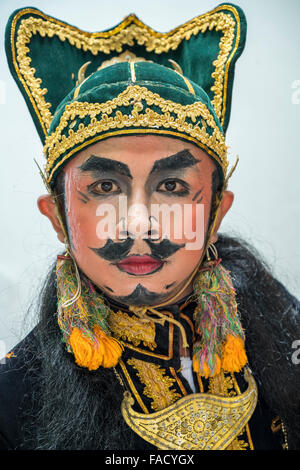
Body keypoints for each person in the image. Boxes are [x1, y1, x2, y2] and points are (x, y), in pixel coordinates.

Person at [1, 3, 299, 451]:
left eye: (173, 185)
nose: (139, 222)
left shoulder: (284, 326)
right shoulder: (13, 399)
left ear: (217, 213)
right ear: (58, 217)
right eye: (104, 185)